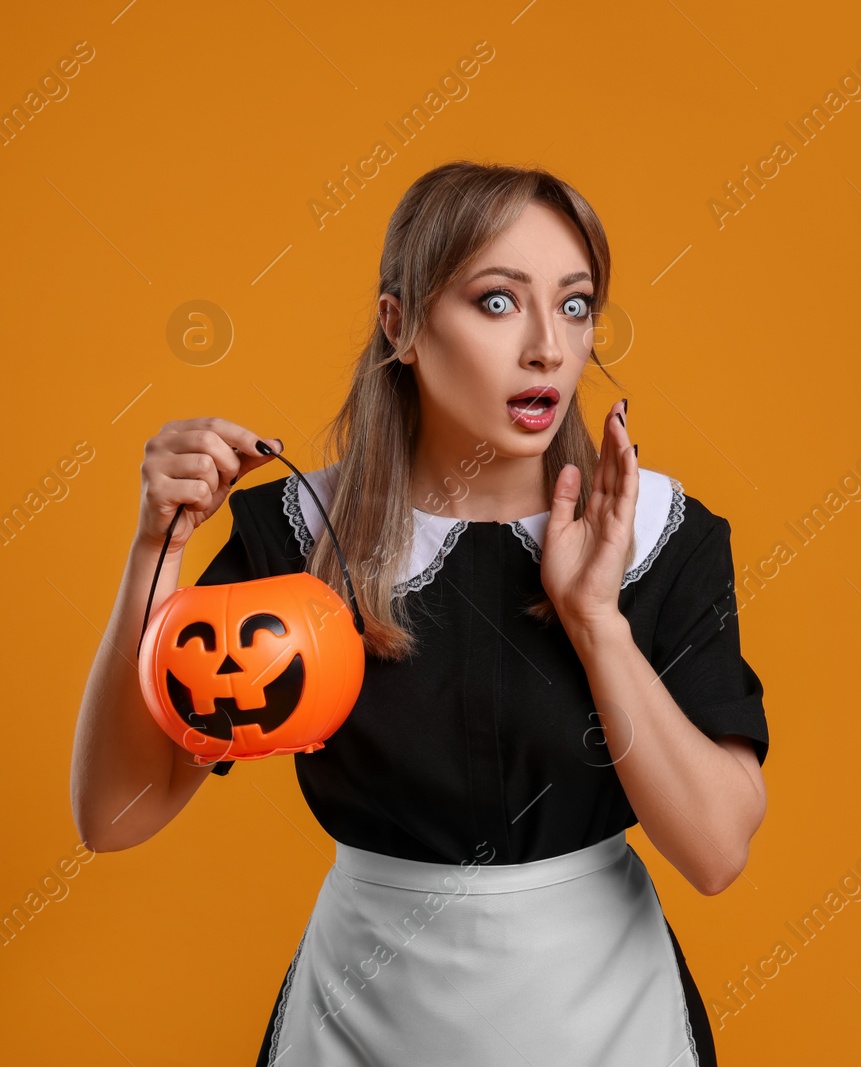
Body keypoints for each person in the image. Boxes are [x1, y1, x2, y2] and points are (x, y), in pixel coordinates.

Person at [69, 161, 770, 1066]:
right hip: (359, 1019)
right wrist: (153, 550)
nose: (548, 350)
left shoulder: (662, 536)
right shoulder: (301, 538)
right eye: (496, 302)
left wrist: (596, 618)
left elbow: (716, 853)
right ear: (399, 325)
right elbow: (117, 813)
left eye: (574, 303)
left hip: (610, 1019)